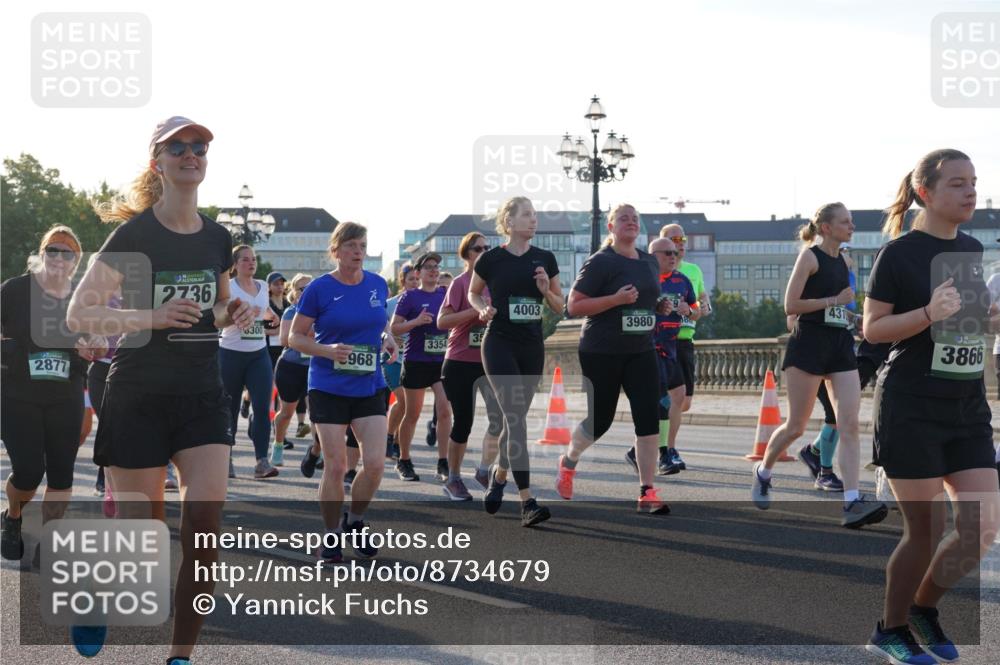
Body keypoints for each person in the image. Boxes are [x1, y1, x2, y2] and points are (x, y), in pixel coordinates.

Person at [67, 115, 252, 664]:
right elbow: (80, 314)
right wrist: (151, 315)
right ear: (159, 162)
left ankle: (180, 658)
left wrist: (231, 311)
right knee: (141, 535)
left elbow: (215, 311)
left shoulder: (219, 238)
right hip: (138, 397)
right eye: (178, 148)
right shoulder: (134, 236)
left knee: (204, 527)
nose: (191, 154)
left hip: (201, 396)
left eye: (198, 147)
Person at [862, 149, 1000, 664]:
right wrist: (925, 311)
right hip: (911, 404)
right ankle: (889, 628)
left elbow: (965, 325)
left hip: (965, 404)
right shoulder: (898, 254)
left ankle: (923, 608)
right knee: (925, 531)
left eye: (974, 183)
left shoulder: (970, 246)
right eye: (958, 184)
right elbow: (874, 330)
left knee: (981, 527)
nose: (972, 193)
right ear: (926, 192)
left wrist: (991, 317)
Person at [750, 202, 888, 529]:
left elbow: (840, 308)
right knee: (796, 426)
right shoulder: (810, 257)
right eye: (845, 221)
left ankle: (852, 501)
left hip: (839, 345)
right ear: (826, 227)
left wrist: (855, 317)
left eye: (852, 221)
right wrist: (833, 302)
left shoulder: (847, 260)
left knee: (849, 423)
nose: (852, 226)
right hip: (808, 344)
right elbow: (791, 306)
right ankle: (764, 470)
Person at [289, 221, 397, 564]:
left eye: (362, 245)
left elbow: (380, 322)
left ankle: (355, 519)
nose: (358, 251)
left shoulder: (378, 284)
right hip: (328, 386)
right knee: (335, 466)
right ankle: (331, 534)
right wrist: (327, 349)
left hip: (369, 383)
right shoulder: (319, 289)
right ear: (335, 250)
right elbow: (295, 337)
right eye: (350, 245)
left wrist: (387, 337)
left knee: (376, 464)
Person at [555, 204, 671, 513]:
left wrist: (657, 307)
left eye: (635, 218)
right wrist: (615, 299)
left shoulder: (648, 261)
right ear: (611, 227)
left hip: (641, 350)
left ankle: (647, 491)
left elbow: (646, 298)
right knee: (600, 421)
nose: (631, 222)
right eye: (623, 218)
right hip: (601, 350)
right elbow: (574, 306)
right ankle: (568, 462)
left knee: (648, 419)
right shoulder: (600, 262)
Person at [2, 226, 105, 561]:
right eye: (53, 251)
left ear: (76, 260)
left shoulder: (82, 297)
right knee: (29, 472)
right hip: (18, 395)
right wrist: (14, 349)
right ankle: (13, 517)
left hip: (66, 393)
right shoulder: (16, 290)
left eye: (68, 253)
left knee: (62, 472)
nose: (60, 258)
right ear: (42, 252)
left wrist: (95, 345)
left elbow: (95, 337)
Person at [469, 196, 563, 527]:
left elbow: (558, 305)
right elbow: (473, 292)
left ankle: (499, 475)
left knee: (515, 420)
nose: (534, 220)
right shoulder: (492, 259)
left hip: (531, 345)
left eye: (536, 215)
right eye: (527, 215)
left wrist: (544, 289)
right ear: (509, 222)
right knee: (515, 417)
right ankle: (527, 502)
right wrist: (482, 308)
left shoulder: (545, 259)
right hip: (499, 343)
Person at [623, 237, 698, 476]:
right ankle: (664, 454)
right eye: (667, 253)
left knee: (678, 395)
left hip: (672, 347)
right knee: (662, 401)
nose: (673, 256)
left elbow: (696, 311)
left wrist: (689, 311)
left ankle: (637, 452)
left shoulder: (682, 280)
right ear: (653, 255)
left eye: (675, 252)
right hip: (648, 347)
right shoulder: (644, 278)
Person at [437, 232, 503, 500]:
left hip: (490, 360)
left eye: (488, 247)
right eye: (479, 248)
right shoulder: (460, 283)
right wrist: (476, 312)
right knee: (464, 421)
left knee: (500, 419)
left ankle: (484, 469)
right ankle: (453, 478)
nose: (485, 251)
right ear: (466, 254)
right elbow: (442, 321)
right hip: (460, 361)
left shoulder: (496, 282)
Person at [390, 252, 452, 482]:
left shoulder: (445, 295)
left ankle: (443, 462)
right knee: (412, 414)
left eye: (436, 266)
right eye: (428, 267)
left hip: (440, 363)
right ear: (418, 273)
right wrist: (416, 322)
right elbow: (394, 328)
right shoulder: (409, 297)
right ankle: (404, 460)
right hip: (416, 361)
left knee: (445, 411)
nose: (434, 270)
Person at [219, 245, 279, 479]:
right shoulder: (229, 287)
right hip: (231, 353)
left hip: (258, 354)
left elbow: (262, 311)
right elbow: (219, 318)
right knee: (229, 409)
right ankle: (227, 459)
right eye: (245, 259)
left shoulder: (263, 286)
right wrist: (240, 313)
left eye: (253, 259)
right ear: (235, 264)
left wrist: (269, 316)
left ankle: (261, 462)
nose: (251, 263)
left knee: (263, 408)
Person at [657, 223, 709, 471]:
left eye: (683, 238)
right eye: (674, 239)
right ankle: (666, 449)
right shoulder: (652, 271)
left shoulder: (692, 271)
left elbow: (700, 304)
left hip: (684, 338)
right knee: (669, 399)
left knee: (684, 401)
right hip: (660, 341)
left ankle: (645, 446)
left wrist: (697, 309)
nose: (680, 243)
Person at [271, 273, 312, 466]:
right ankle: (278, 443)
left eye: (309, 289)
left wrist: (305, 335)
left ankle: (317, 451)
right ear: (294, 293)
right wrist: (311, 335)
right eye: (301, 289)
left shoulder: (321, 312)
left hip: (315, 367)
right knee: (286, 412)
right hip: (291, 367)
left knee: (319, 413)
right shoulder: (290, 312)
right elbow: (285, 340)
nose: (305, 293)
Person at [383, 263, 419, 460]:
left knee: (410, 405)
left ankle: (397, 442)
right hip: (392, 359)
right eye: (411, 279)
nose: (415, 283)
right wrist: (388, 336)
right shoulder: (390, 304)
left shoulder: (425, 301)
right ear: (402, 281)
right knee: (403, 399)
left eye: (417, 279)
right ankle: (388, 437)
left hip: (414, 359)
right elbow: (379, 326)